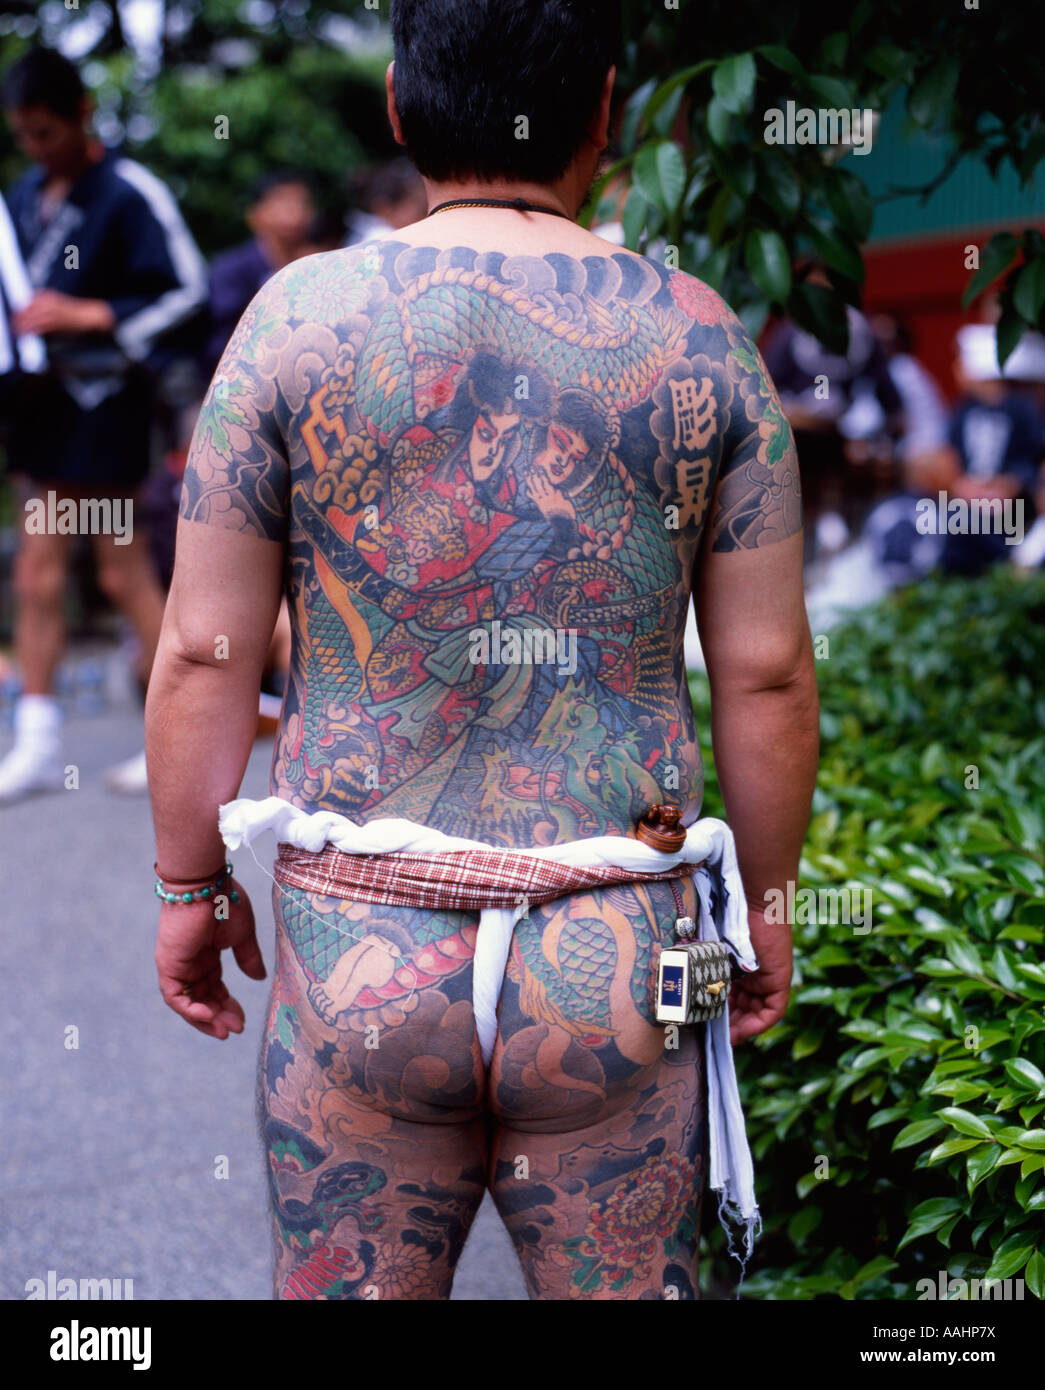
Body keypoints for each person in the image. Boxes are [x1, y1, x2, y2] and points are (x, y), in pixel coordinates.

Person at [145, 0, 819, 1301]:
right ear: (605, 112)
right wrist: (770, 904)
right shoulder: (699, 336)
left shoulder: (294, 323)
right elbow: (768, 672)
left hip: (364, 944)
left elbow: (202, 650)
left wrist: (188, 888)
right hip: (618, 940)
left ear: (400, 103)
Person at [0, 46, 208, 802]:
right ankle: (38, 740)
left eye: (47, 133)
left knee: (123, 573)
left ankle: (178, 738)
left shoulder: (128, 191)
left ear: (84, 115)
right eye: (24, 135)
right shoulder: (22, 196)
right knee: (34, 574)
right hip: (40, 409)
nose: (35, 148)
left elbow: (190, 290)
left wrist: (91, 313)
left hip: (107, 409)